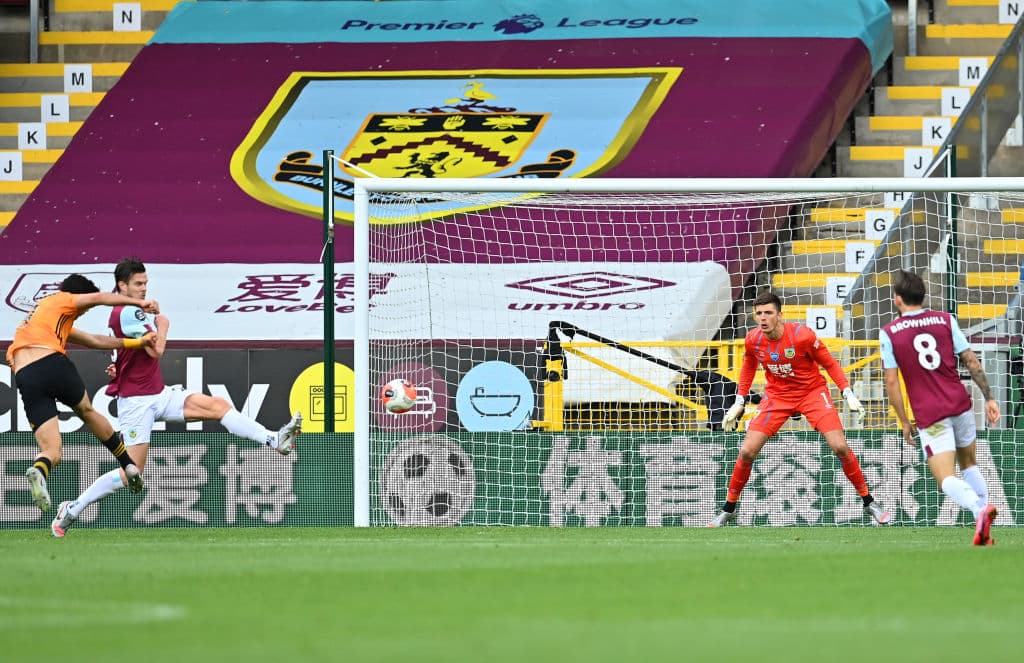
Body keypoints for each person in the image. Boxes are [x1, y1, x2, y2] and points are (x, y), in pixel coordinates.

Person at [51, 258, 303, 538]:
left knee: (218, 406)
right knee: (131, 472)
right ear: (121, 285)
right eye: (138, 284)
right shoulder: (126, 312)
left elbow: (131, 350)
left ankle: (274, 439)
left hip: (157, 393)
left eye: (146, 283)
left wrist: (120, 365)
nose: (144, 288)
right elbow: (156, 349)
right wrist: (164, 323)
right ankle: (72, 508)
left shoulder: (127, 310)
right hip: (136, 403)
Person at [708, 290, 892, 527]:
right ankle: (729, 508)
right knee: (747, 451)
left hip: (812, 393)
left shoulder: (802, 336)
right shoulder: (753, 339)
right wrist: (740, 400)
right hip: (777, 397)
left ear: (780, 315)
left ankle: (869, 502)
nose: (763, 318)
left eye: (768, 313)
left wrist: (847, 392)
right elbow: (748, 368)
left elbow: (830, 363)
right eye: (759, 313)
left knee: (840, 446)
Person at [7, 273, 161, 513]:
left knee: (52, 450)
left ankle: (38, 470)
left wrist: (136, 343)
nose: (83, 312)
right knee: (87, 412)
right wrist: (140, 303)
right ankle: (128, 465)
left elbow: (94, 340)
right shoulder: (64, 299)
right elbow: (100, 298)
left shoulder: (42, 317)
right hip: (50, 361)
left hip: (25, 375)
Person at [880, 269, 999, 546]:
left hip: (930, 413)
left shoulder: (890, 333)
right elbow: (971, 361)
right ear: (922, 296)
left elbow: (891, 382)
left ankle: (979, 509)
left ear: (897, 300)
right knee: (969, 464)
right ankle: (984, 527)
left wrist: (903, 421)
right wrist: (990, 397)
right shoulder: (945, 320)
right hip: (960, 403)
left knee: (945, 478)